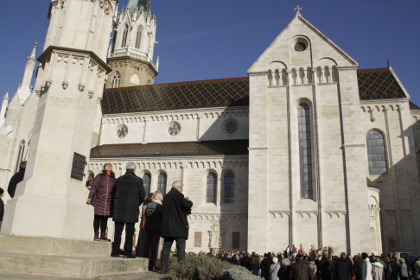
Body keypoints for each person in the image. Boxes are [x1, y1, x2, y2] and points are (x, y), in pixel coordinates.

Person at [111, 162, 145, 258]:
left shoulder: (119, 179)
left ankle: (115, 251)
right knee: (129, 232)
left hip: (119, 208)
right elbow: (142, 194)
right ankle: (127, 252)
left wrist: (117, 203)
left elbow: (113, 193)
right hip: (131, 209)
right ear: (134, 169)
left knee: (117, 231)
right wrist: (136, 203)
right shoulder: (138, 180)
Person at [160, 180, 193, 273]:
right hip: (179, 227)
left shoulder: (166, 197)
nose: (181, 190)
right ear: (178, 187)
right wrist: (189, 202)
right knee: (180, 249)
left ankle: (163, 269)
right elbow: (186, 205)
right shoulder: (179, 196)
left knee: (166, 249)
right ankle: (180, 269)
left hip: (168, 228)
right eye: (181, 188)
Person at [86, 163, 116, 241]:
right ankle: (96, 234)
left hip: (109, 201)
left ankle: (103, 234)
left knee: (105, 218)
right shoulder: (99, 177)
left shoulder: (114, 179)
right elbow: (94, 188)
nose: (109, 166)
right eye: (107, 165)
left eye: (110, 165)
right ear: (104, 168)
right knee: (97, 217)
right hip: (99, 200)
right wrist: (90, 198)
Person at [142, 191, 163, 271]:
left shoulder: (149, 205)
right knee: (154, 246)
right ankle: (153, 264)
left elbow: (147, 215)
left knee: (147, 245)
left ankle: (145, 262)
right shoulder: (160, 206)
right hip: (157, 228)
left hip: (149, 227)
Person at [136, 192, 154, 257]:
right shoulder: (147, 204)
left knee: (142, 240)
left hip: (143, 224)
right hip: (145, 224)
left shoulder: (145, 203)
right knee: (144, 240)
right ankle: (142, 255)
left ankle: (140, 253)